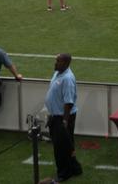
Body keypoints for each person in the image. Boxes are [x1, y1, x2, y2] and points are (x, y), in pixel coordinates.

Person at [45, 53, 82, 182]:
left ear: (66, 64)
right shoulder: (58, 73)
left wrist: (64, 121)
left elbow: (69, 102)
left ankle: (64, 173)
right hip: (57, 116)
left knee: (60, 147)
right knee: (67, 144)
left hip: (63, 118)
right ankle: (75, 168)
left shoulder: (67, 79)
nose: (55, 63)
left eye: (58, 61)